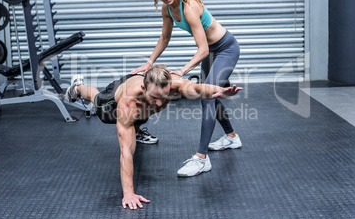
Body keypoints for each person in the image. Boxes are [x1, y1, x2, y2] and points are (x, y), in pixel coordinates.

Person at [66, 65, 241, 210]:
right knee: (98, 101)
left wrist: (220, 91)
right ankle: (78, 87)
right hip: (113, 99)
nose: (160, 103)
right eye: (155, 97)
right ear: (144, 88)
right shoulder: (128, 103)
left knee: (144, 112)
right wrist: (129, 192)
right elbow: (126, 151)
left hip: (142, 96)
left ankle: (139, 129)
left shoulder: (171, 84)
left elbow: (196, 88)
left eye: (164, 97)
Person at [131, 0, 242, 177]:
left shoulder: (188, 5)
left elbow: (203, 49)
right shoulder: (167, 9)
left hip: (225, 49)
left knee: (206, 98)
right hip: (211, 52)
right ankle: (231, 137)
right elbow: (165, 38)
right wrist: (149, 62)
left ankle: (201, 159)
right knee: (210, 93)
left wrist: (181, 71)